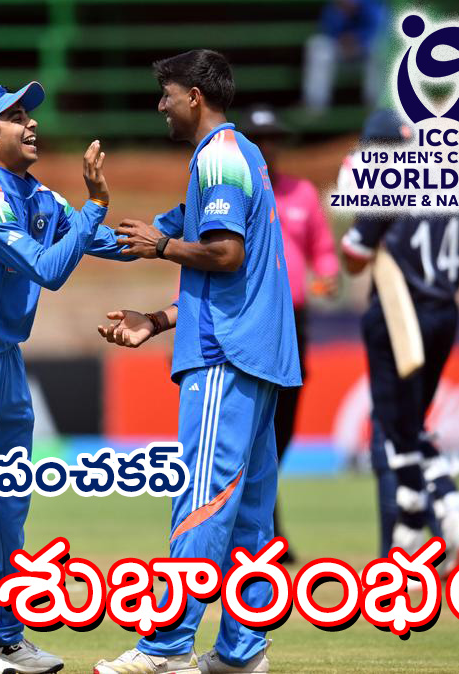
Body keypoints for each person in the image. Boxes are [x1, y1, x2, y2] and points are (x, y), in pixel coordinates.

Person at [95, 49, 300, 674]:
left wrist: (162, 248)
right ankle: (241, 652)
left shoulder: (218, 159)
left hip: (225, 357)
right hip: (258, 353)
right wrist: (153, 318)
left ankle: (165, 648)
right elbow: (173, 248)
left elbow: (224, 254)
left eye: (166, 93)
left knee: (202, 500)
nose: (160, 105)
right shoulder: (244, 159)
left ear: (194, 97)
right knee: (251, 519)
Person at [0, 80, 123, 674]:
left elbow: (102, 242)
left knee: (10, 503)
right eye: (15, 117)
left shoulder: (35, 195)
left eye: (28, 115)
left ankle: (3, 637)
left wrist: (173, 238)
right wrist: (93, 206)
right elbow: (49, 269)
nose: (31, 123)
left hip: (7, 360)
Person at [339, 108, 459, 571]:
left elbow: (355, 255)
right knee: (409, 422)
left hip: (400, 311)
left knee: (398, 425)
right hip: (445, 311)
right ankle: (412, 537)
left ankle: (450, 510)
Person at [238, 105, 340, 564]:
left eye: (273, 137)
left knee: (284, 425)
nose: (269, 146)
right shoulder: (237, 190)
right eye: (260, 138)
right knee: (254, 424)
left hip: (295, 321)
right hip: (253, 317)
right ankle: (264, 531)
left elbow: (322, 248)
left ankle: (263, 524)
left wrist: (329, 273)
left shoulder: (300, 193)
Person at [302, 0, 386, 114]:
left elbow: (381, 34)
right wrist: (341, 17)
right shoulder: (333, 8)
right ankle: (314, 108)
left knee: (379, 49)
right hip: (340, 57)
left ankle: (375, 108)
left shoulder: (372, 6)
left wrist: (358, 41)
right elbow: (327, 32)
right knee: (318, 45)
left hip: (365, 56)